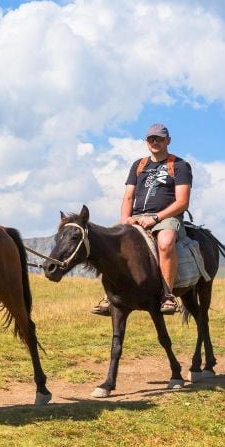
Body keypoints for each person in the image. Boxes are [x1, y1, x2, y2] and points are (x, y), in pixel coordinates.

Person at [91, 123, 191, 316]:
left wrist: (155, 218)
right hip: (135, 218)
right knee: (106, 242)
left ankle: (168, 295)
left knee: (165, 242)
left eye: (159, 139)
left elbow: (182, 201)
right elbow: (128, 196)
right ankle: (109, 295)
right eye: (151, 139)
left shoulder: (179, 166)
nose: (155, 142)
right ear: (146, 141)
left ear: (168, 141)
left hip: (165, 217)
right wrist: (125, 220)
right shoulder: (139, 165)